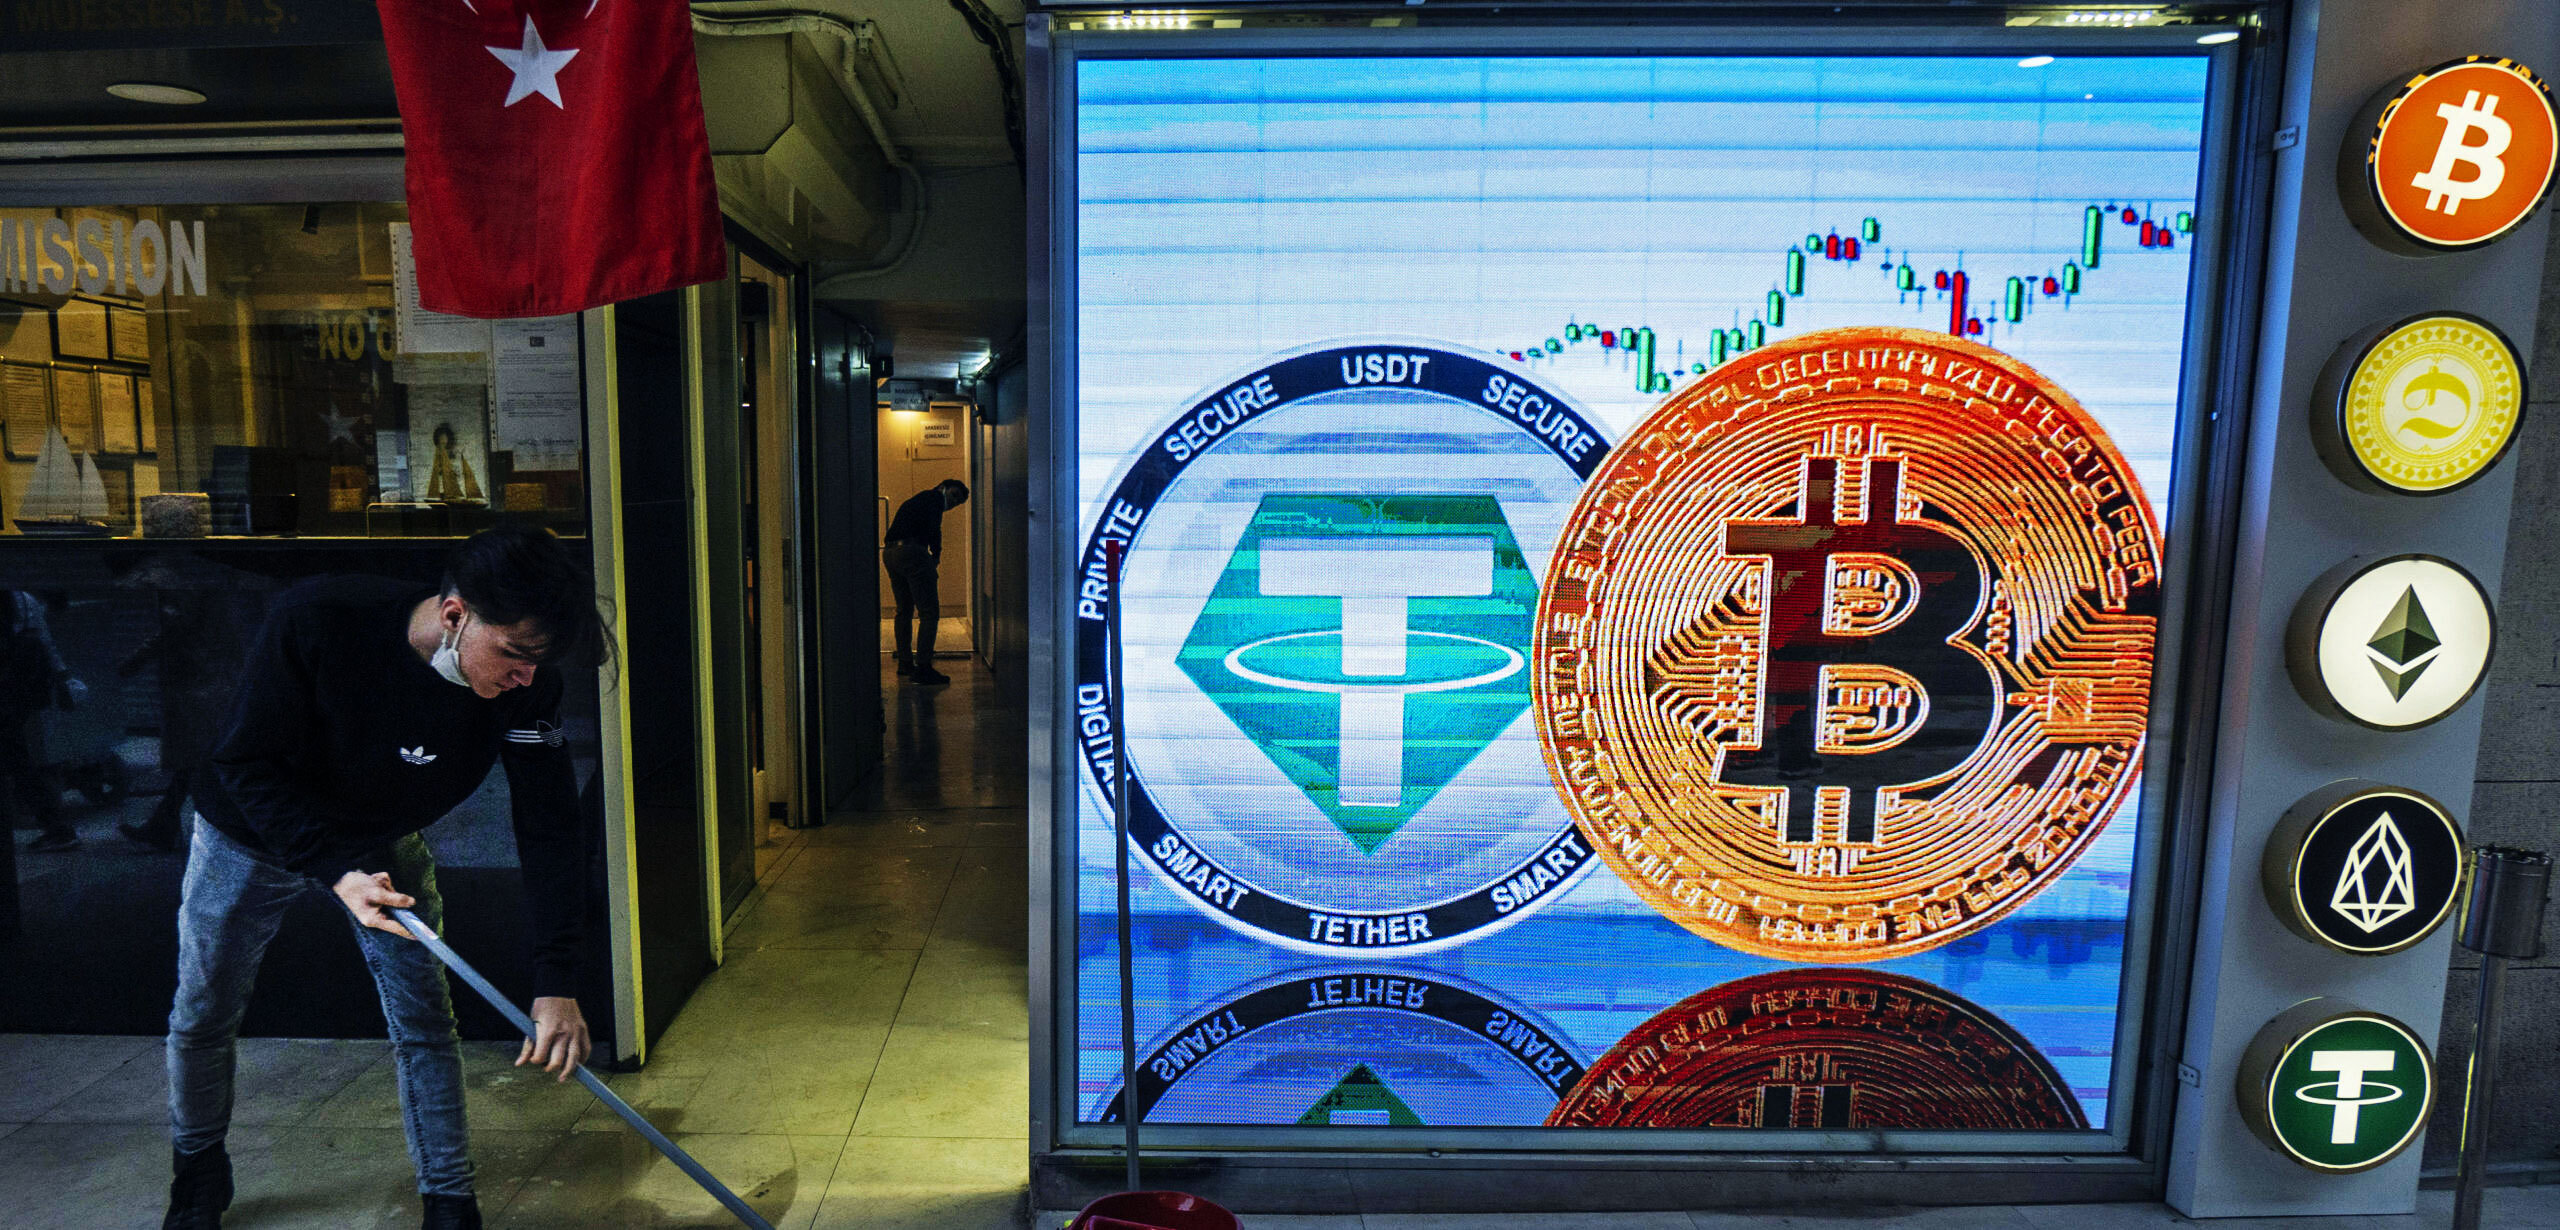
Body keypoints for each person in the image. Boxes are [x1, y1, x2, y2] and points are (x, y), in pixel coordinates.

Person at [158, 524, 610, 1230]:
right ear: (456, 613)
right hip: (249, 831)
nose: (525, 678)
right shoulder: (320, 621)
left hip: (379, 836)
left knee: (425, 1018)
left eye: (538, 663)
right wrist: (335, 870)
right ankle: (197, 1170)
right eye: (515, 655)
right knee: (205, 1006)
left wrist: (557, 980)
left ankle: (450, 1200)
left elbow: (551, 829)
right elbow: (242, 761)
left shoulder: (527, 687)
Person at [5, 589, 82, 853]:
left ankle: (58, 829)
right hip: (20, 692)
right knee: (17, 758)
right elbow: (46, 643)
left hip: (8, 692)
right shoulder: (24, 599)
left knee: (17, 760)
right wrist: (63, 680)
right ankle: (57, 828)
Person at [883, 478, 968, 685]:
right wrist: (936, 555)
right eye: (954, 495)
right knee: (929, 612)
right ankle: (923, 667)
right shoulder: (934, 499)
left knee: (904, 610)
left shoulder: (918, 500)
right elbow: (934, 529)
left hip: (891, 553)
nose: (953, 502)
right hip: (913, 553)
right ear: (942, 487)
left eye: (957, 502)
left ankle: (905, 663)